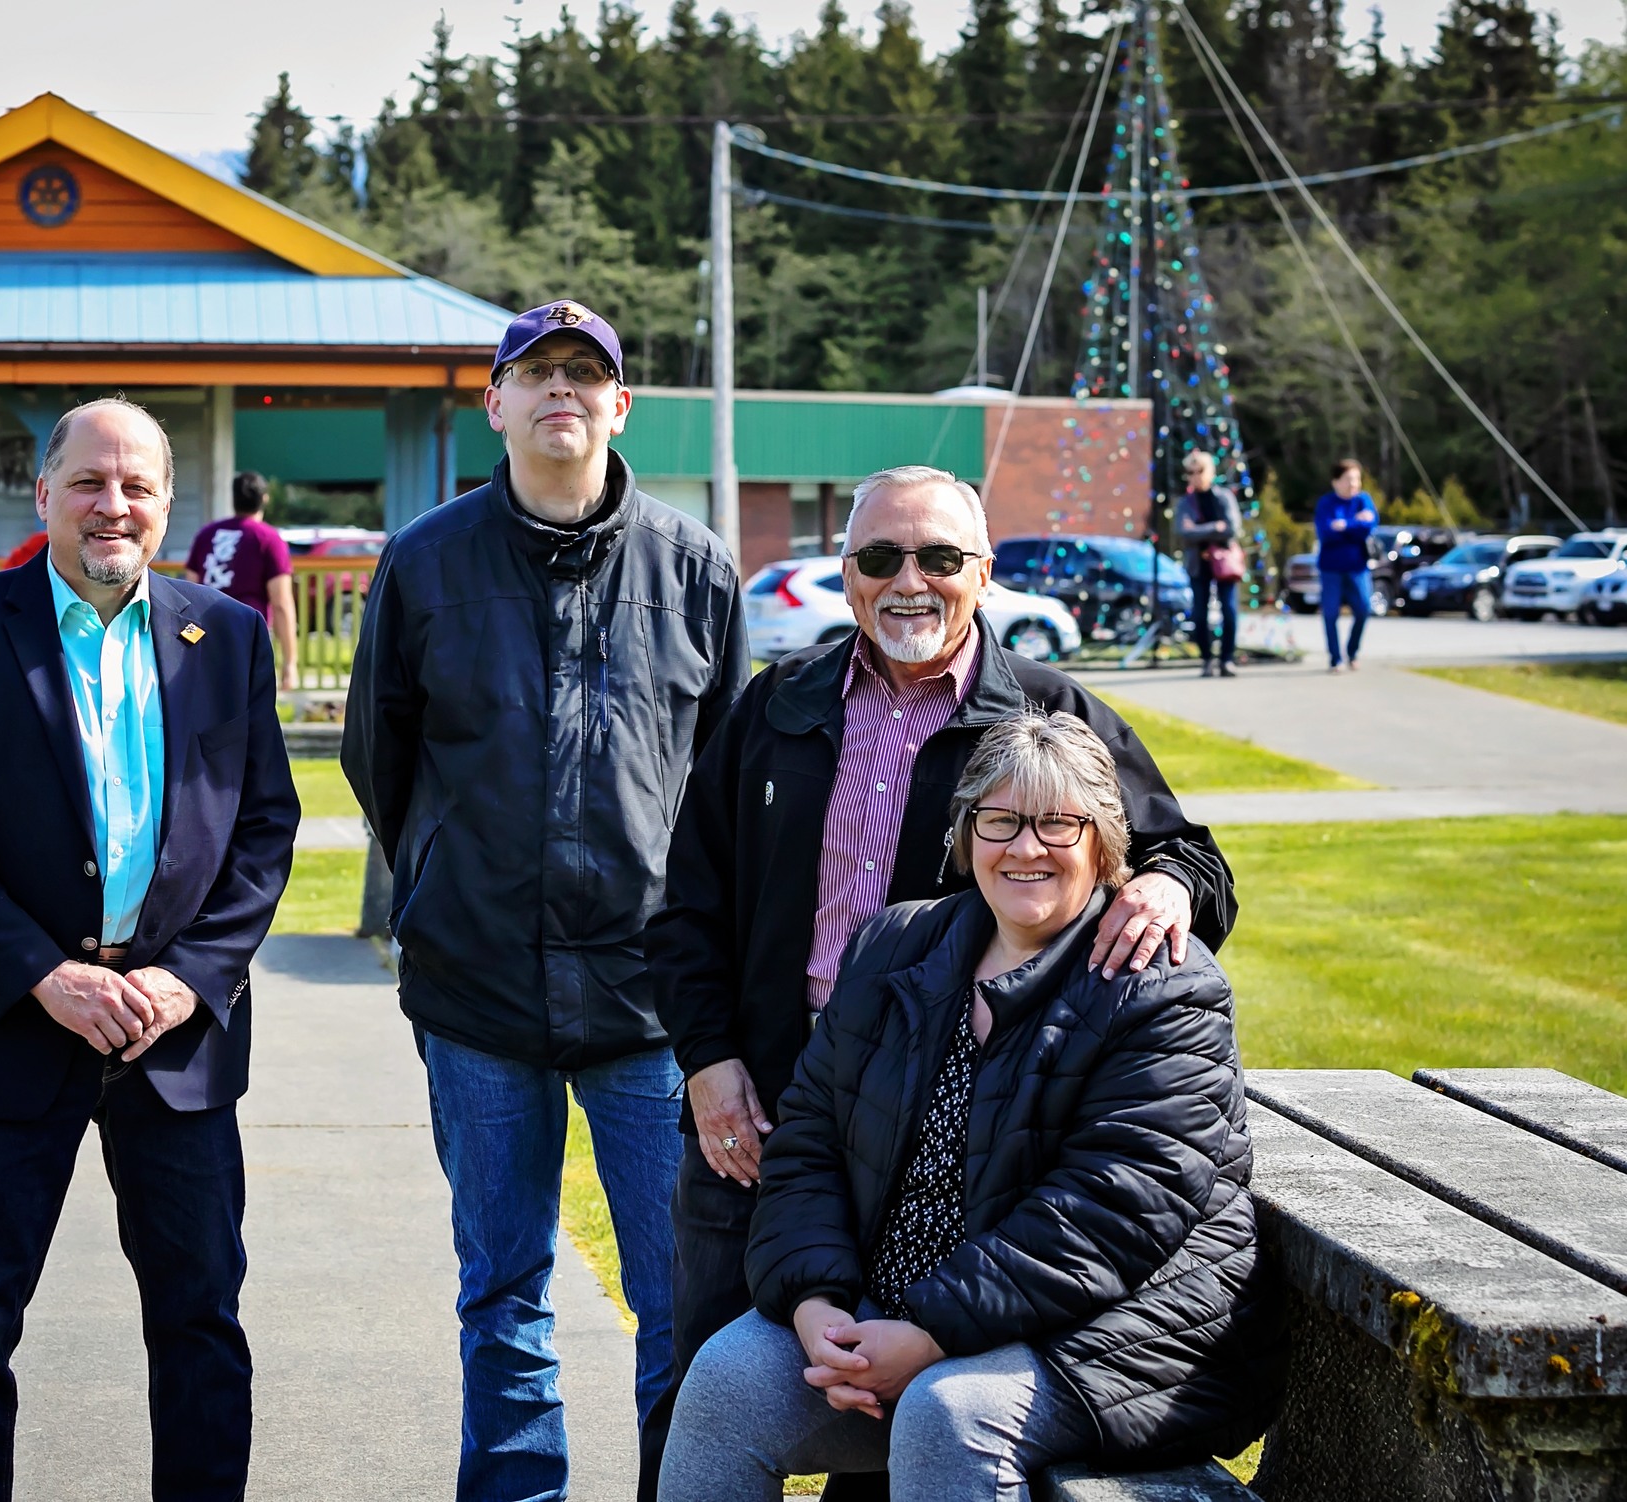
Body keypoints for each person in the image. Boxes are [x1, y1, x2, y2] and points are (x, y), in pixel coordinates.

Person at [645, 465, 1236, 1499]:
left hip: (949, 1121)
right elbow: (687, 902)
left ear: (982, 571)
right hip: (772, 1111)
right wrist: (706, 1058)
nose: (906, 580)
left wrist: (1169, 889)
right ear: (847, 573)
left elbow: (1181, 855)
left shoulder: (1044, 715)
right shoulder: (776, 705)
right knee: (714, 1377)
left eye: (937, 557)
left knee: (891, 1434)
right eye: (878, 557)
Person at [660, 710, 1283, 1501]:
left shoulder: (1162, 982)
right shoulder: (894, 944)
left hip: (1113, 1334)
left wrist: (926, 1335)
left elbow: (1111, 1211)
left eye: (1059, 822)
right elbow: (810, 1140)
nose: (1026, 848)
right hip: (896, 1308)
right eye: (1000, 821)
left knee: (947, 1412)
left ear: (1104, 841)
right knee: (726, 1379)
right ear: (966, 835)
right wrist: (814, 1304)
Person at [342, 300, 751, 1502]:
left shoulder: (693, 567)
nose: (560, 389)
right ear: (496, 403)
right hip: (476, 995)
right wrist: (438, 880)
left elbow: (727, 787)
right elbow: (382, 756)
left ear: (620, 405)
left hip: (650, 1006)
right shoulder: (424, 561)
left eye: (586, 372)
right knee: (502, 1285)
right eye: (536, 372)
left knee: (682, 1292)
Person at [0, 396, 300, 1502]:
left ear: (167, 503)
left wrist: (188, 977)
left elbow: (262, 827)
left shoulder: (228, 637)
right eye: (88, 483)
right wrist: (40, 973)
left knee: (201, 1314)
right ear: (44, 495)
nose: (112, 505)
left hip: (173, 1040)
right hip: (11, 1026)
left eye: (136, 486)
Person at [184, 471, 298, 692]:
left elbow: (188, 592)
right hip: (247, 634)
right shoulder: (269, 538)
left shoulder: (207, 533)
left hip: (203, 634)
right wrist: (290, 663)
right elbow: (281, 602)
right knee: (247, 709)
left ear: (233, 498)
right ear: (265, 499)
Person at [1175, 452, 1243, 678]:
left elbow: (1233, 528)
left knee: (1230, 611)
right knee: (1199, 614)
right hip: (1198, 564)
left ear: (1211, 472)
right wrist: (1216, 527)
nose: (1196, 476)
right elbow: (1184, 532)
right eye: (1191, 472)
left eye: (1200, 471)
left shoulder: (1223, 497)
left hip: (1224, 563)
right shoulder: (1185, 502)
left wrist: (1199, 530)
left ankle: (1227, 659)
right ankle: (1206, 659)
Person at [1314, 458, 1378, 673]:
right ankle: (1335, 658)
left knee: (1363, 609)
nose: (1354, 484)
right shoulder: (1326, 504)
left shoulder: (1363, 500)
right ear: (1336, 482)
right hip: (1331, 568)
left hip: (1357, 566)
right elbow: (1326, 533)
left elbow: (1368, 527)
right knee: (1330, 613)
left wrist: (1345, 525)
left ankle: (1352, 651)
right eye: (1349, 480)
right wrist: (1354, 525)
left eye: (1357, 480)